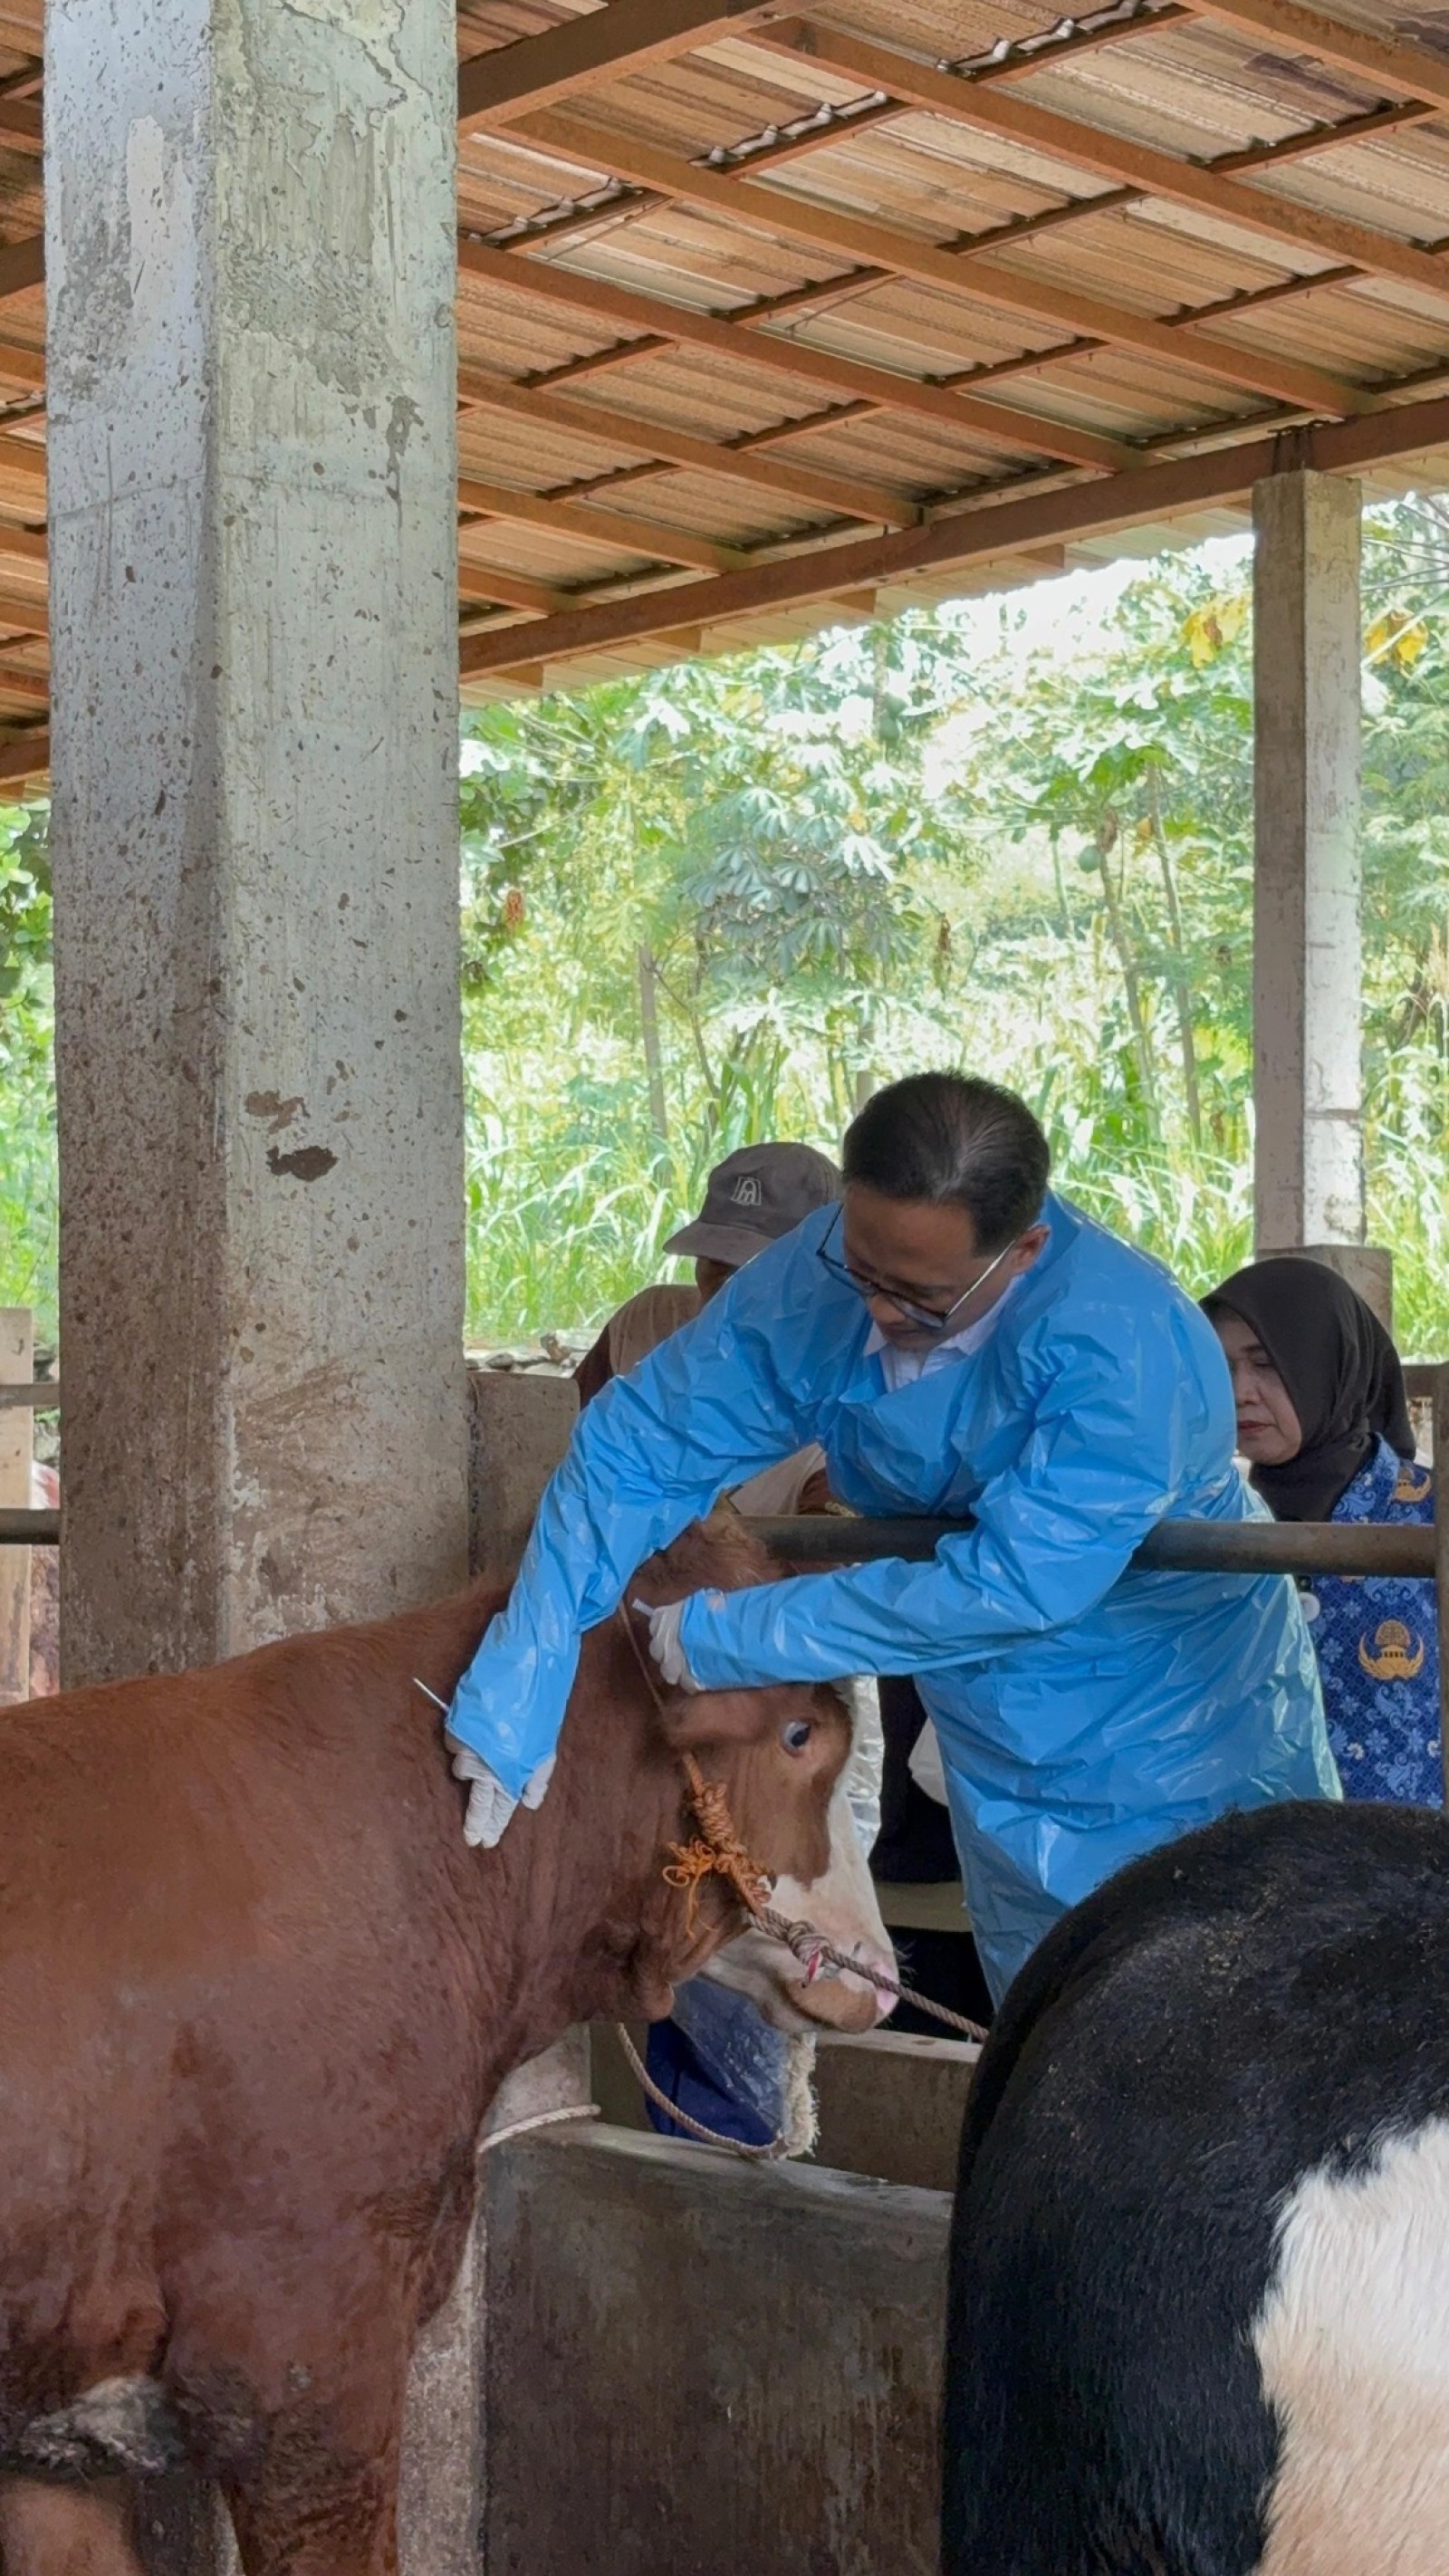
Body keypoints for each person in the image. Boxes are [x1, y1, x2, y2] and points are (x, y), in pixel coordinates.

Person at [447, 1072, 1336, 2004]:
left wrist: (738, 1633)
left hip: (1172, 1720)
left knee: (1232, 1989)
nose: (876, 1312)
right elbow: (644, 1444)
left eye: (921, 1296)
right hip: (991, 1719)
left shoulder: (1128, 1349)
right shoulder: (821, 1271)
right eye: (862, 1270)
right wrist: (534, 1645)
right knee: (1055, 2009)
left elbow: (1012, 1586)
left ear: (1023, 1252)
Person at [575, 1139, 875, 2147]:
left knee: (777, 1910)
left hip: (781, 1687)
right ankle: (694, 2140)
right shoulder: (647, 1327)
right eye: (714, 1262)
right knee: (666, 1892)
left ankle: (751, 2144)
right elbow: (592, 1454)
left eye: (755, 1270)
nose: (723, 1290)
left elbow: (831, 1564)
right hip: (644, 1663)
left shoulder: (854, 1387)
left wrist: (705, 1574)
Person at [1204, 1258, 1440, 1807]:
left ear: (1329, 1364)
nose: (1239, 1392)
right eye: (1221, 1366)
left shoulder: (1432, 1516)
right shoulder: (1205, 1522)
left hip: (1415, 1852)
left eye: (1266, 1364)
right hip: (1257, 1852)